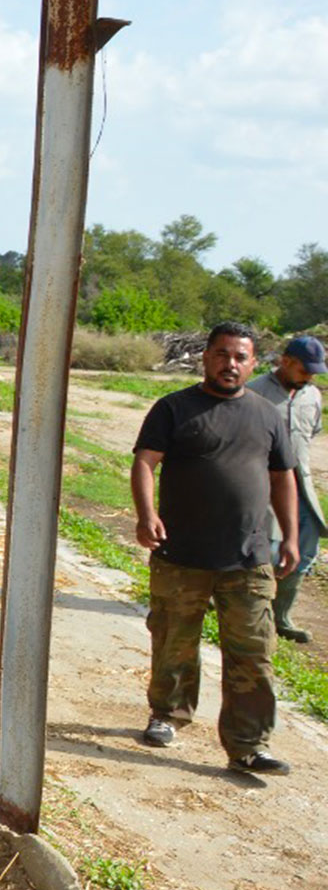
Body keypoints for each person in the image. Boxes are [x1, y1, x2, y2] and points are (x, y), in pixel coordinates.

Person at [134, 323, 301, 775]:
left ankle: (249, 744)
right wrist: (146, 513)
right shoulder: (174, 408)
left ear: (253, 364)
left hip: (247, 559)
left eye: (240, 357)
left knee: (253, 652)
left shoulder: (267, 415)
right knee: (174, 641)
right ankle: (167, 716)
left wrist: (289, 535)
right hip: (181, 554)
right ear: (206, 357)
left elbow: (283, 477)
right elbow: (146, 462)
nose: (231, 364)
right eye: (222, 354)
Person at [246, 335, 324, 643]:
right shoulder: (253, 392)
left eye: (315, 372)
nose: (310, 377)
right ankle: (250, 611)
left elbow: (312, 432)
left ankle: (281, 617)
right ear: (285, 361)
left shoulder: (313, 396)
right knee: (263, 548)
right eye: (305, 370)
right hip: (263, 485)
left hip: (300, 485)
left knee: (305, 547)